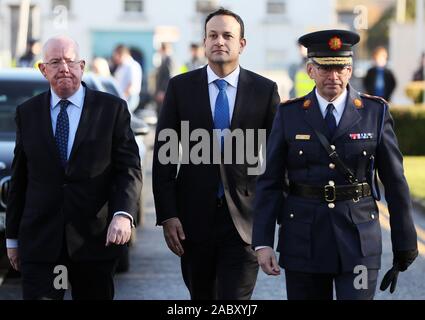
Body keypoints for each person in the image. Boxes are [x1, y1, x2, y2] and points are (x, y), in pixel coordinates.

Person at [252, 29, 418, 300]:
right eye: (325, 68)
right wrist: (262, 242)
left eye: (340, 68)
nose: (333, 76)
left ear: (350, 70)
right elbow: (269, 182)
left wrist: (405, 242)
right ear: (310, 70)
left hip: (358, 240)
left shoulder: (374, 113)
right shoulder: (289, 114)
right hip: (303, 240)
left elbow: (395, 181)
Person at [152, 8, 280, 300]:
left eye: (227, 35)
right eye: (213, 35)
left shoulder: (264, 90)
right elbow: (165, 157)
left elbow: (277, 161)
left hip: (245, 224)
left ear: (242, 44)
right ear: (205, 41)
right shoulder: (180, 88)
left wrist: (273, 218)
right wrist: (168, 214)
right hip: (193, 223)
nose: (219, 41)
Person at [6, 36, 143, 300]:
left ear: (82, 66)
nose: (64, 68)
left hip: (94, 241)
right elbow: (20, 179)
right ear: (43, 70)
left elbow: (129, 169)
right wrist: (12, 238)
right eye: (55, 62)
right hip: (41, 243)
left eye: (70, 61)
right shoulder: (28, 113)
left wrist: (123, 213)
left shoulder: (111, 110)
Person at [112, 44, 143, 112]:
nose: (115, 58)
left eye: (116, 55)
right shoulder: (122, 66)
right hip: (123, 97)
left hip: (129, 98)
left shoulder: (132, 65)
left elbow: (131, 85)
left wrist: (122, 97)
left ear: (122, 54)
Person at [154, 42, 174, 114]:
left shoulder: (168, 60)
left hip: (163, 92)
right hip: (160, 91)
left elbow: (169, 77)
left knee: (163, 112)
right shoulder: (164, 60)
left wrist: (163, 91)